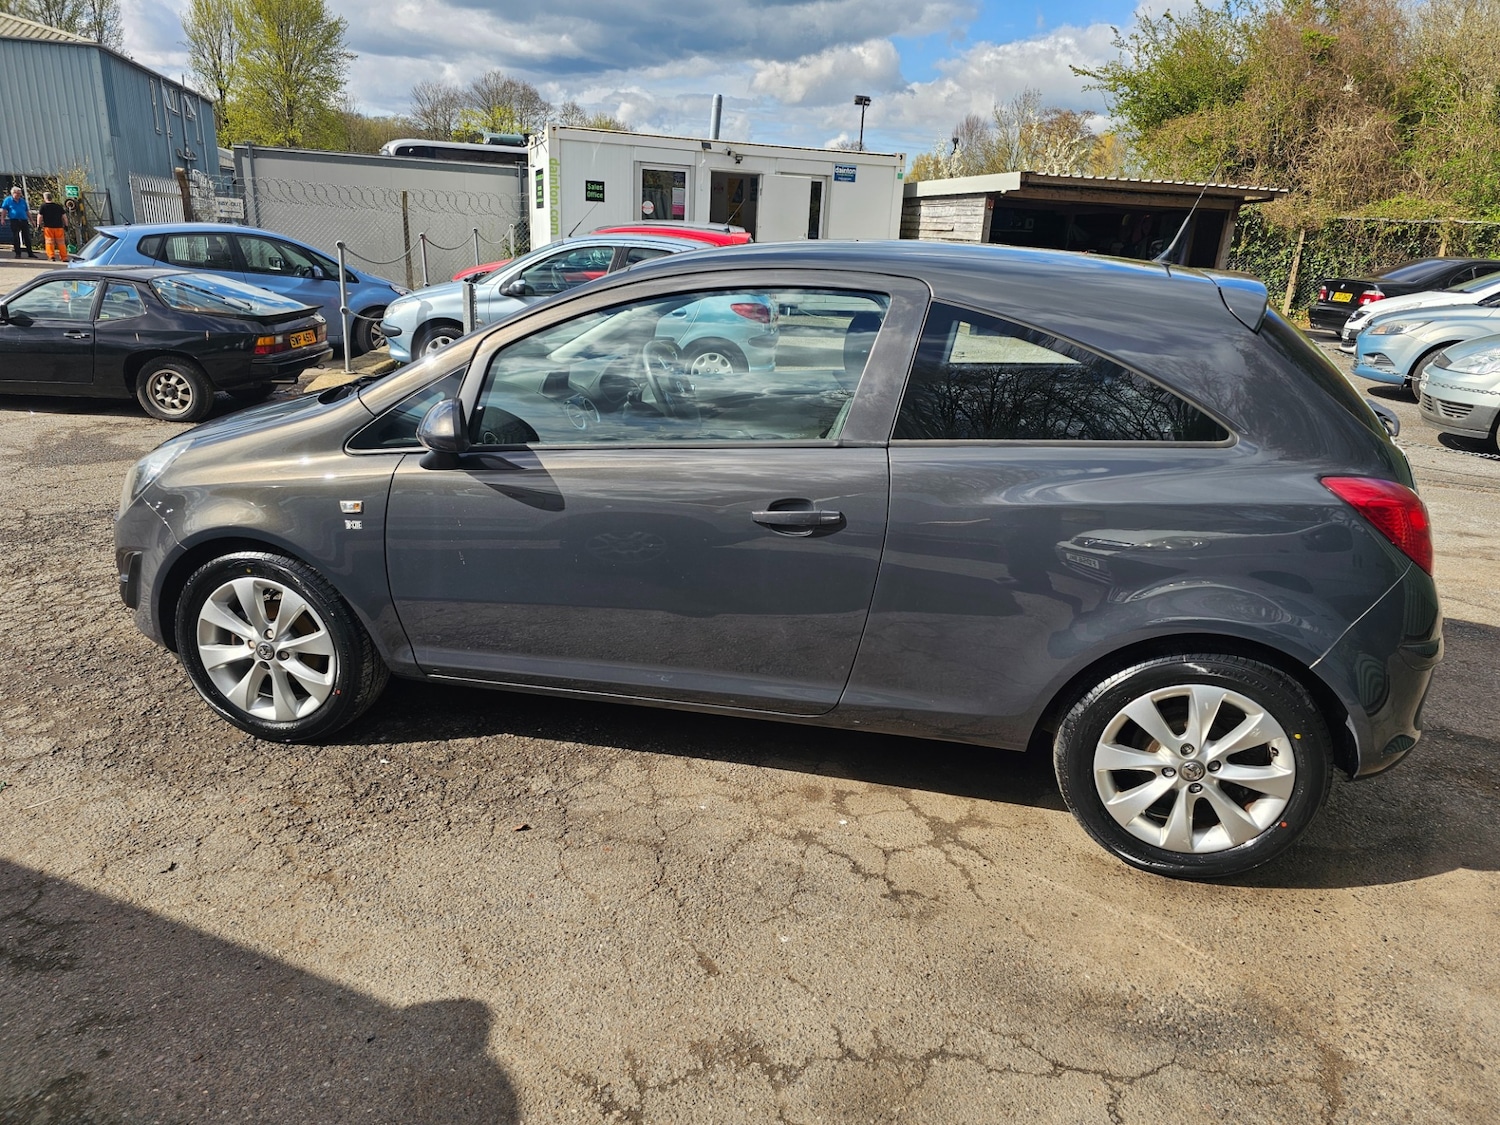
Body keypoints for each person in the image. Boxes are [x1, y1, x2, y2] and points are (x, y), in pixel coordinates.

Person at [2, 187, 37, 258]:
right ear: (13, 193)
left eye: (19, 194)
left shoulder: (22, 201)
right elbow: (4, 210)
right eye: (17, 194)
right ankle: (18, 253)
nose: (19, 195)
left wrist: (32, 220)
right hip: (14, 220)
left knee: (27, 237)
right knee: (16, 237)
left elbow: (27, 211)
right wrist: (2, 219)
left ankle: (30, 253)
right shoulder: (8, 200)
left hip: (24, 220)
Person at [37, 191, 68, 262]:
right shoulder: (58, 206)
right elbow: (64, 217)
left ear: (45, 198)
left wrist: (38, 225)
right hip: (59, 227)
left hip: (48, 227)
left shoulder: (43, 206)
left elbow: (40, 216)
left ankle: (51, 256)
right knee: (61, 243)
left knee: (49, 242)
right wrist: (66, 225)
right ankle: (64, 257)